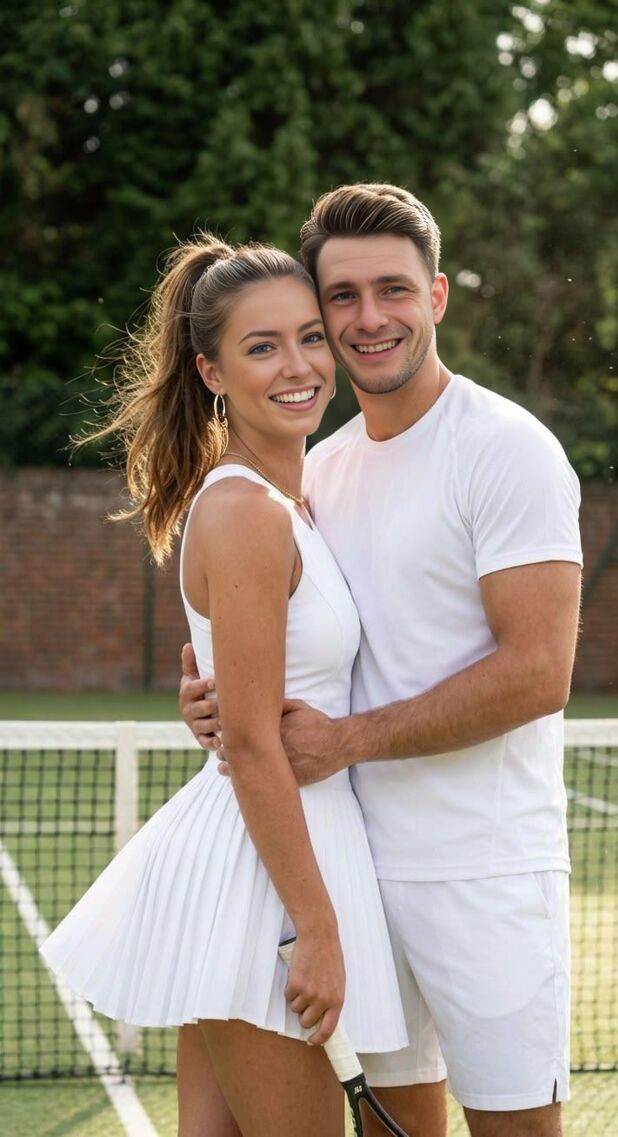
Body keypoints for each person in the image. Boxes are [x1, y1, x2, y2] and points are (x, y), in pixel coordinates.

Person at [180, 184, 583, 1137]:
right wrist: (213, 698)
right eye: (343, 297)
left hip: (484, 870)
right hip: (349, 867)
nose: (369, 317)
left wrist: (347, 740)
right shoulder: (317, 466)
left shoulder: (508, 449)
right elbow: (286, 638)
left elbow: (540, 672)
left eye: (393, 289)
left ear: (436, 295)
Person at [39, 234, 408, 1137]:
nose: (299, 365)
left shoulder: (294, 500)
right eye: (262, 346)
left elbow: (250, 692)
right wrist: (318, 927)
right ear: (212, 372)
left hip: (274, 857)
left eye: (310, 337)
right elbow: (248, 738)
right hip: (267, 878)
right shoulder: (247, 509)